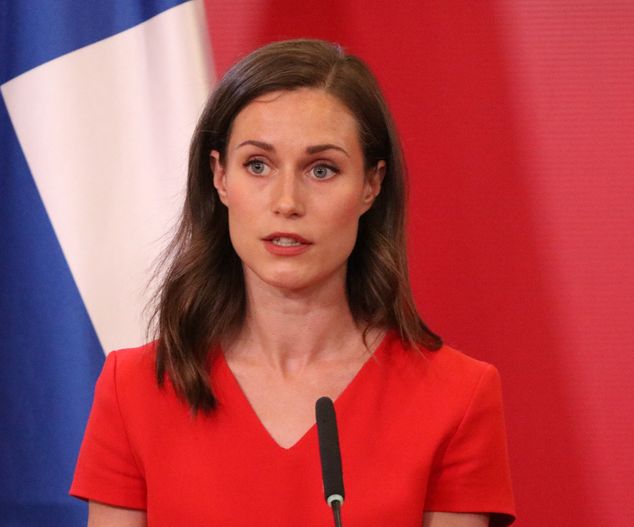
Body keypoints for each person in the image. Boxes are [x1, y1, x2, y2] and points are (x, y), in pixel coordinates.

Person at [70, 39, 515, 526]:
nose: (286, 202)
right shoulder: (136, 390)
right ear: (219, 176)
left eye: (321, 170)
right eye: (257, 165)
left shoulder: (456, 396)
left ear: (371, 184)